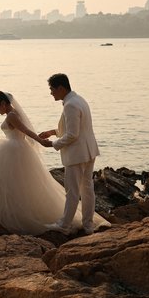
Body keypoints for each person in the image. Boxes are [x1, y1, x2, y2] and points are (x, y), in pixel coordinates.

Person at [0, 91, 109, 235]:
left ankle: (60, 222)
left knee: (10, 185)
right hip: (18, 149)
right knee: (19, 185)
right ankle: (86, 223)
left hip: (14, 150)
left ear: (3, 103)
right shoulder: (78, 100)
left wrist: (42, 142)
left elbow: (25, 131)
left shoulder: (12, 115)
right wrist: (50, 133)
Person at [38, 73, 107, 235]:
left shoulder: (70, 105)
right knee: (87, 189)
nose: (51, 93)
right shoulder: (79, 99)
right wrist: (53, 132)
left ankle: (64, 225)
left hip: (77, 155)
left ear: (61, 88)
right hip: (89, 151)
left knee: (73, 191)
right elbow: (76, 128)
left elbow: (72, 134)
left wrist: (53, 144)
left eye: (52, 89)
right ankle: (88, 225)